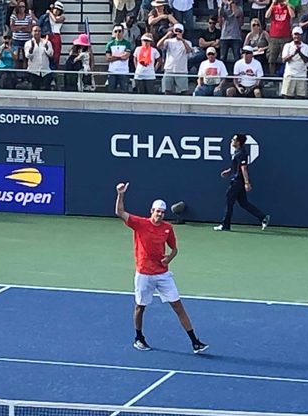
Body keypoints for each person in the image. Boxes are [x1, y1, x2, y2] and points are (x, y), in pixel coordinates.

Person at [114, 182, 208, 354]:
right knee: (140, 307)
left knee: (178, 306)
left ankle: (195, 342)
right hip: (143, 273)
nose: (159, 214)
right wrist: (120, 194)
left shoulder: (167, 228)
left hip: (162, 274)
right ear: (151, 211)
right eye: (157, 211)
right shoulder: (139, 223)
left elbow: (174, 249)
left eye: (162, 212)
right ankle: (139, 337)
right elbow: (119, 212)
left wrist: (169, 258)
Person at [213, 133, 270, 232]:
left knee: (229, 202)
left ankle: (225, 225)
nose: (231, 140)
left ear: (238, 142)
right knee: (244, 203)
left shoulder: (242, 153)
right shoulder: (237, 152)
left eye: (234, 139)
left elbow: (244, 168)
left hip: (237, 182)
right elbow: (237, 166)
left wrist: (247, 183)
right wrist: (229, 171)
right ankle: (263, 217)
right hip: (238, 181)